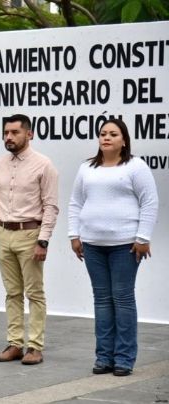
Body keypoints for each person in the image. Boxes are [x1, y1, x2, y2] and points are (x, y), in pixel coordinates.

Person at [67, 119, 158, 377]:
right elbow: (75, 202)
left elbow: (149, 202)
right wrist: (74, 235)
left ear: (124, 140)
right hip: (92, 245)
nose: (106, 137)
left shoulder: (136, 166)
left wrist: (143, 237)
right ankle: (104, 357)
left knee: (123, 299)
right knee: (102, 301)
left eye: (113, 134)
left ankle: (124, 359)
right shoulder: (87, 167)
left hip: (125, 247)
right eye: (103, 133)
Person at [0, 114, 58, 365]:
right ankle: (15, 344)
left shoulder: (44, 164)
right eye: (6, 132)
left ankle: (35, 347)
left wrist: (43, 240)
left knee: (34, 293)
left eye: (15, 132)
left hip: (31, 234)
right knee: (12, 293)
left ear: (29, 134)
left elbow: (51, 206)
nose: (8, 137)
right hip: (4, 234)